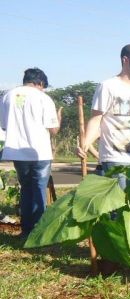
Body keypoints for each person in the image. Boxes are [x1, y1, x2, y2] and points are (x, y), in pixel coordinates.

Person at [76, 43, 130, 189]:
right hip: (116, 159)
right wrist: (85, 144)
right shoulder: (108, 86)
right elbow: (96, 120)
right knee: (117, 208)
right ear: (125, 59)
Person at [0, 68, 60, 237]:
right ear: (40, 83)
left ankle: (26, 230)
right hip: (39, 151)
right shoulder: (43, 98)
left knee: (26, 188)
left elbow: (4, 126)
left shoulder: (7, 96)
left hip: (17, 151)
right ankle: (39, 232)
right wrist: (59, 120)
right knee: (39, 189)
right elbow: (53, 129)